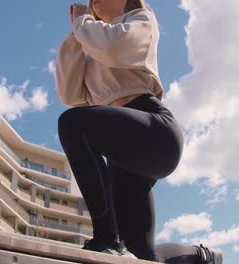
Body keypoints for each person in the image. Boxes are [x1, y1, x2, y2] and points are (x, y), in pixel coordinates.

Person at [56, 0, 224, 263]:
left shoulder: (141, 20)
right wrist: (77, 32)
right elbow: (70, 93)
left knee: (72, 124)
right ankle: (200, 255)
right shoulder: (91, 39)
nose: (92, 1)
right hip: (120, 150)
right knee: (140, 256)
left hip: (153, 130)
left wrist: (84, 24)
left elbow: (112, 47)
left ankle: (106, 239)